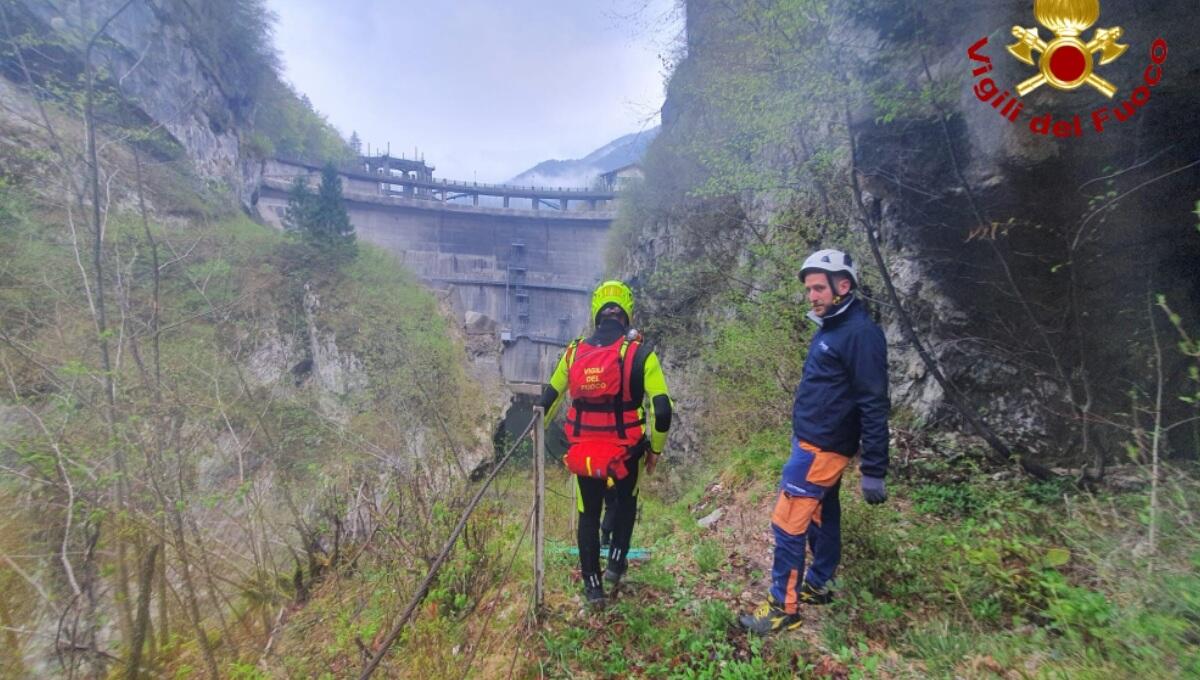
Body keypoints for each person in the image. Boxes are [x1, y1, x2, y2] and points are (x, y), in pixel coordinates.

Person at [739, 249, 890, 634]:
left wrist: (874, 468)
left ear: (844, 286)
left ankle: (783, 608)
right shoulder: (834, 328)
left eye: (819, 288)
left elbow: (873, 402)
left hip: (820, 448)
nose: (812, 296)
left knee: (788, 523)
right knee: (824, 515)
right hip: (813, 442)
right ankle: (820, 583)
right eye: (809, 290)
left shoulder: (859, 334)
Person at [539, 280, 673, 608]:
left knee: (588, 514)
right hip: (627, 451)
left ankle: (593, 587)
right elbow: (663, 410)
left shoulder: (574, 353)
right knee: (625, 504)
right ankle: (614, 566)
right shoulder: (640, 353)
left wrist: (538, 436)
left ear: (596, 311)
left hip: (584, 453)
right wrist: (655, 449)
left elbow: (548, 399)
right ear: (627, 311)